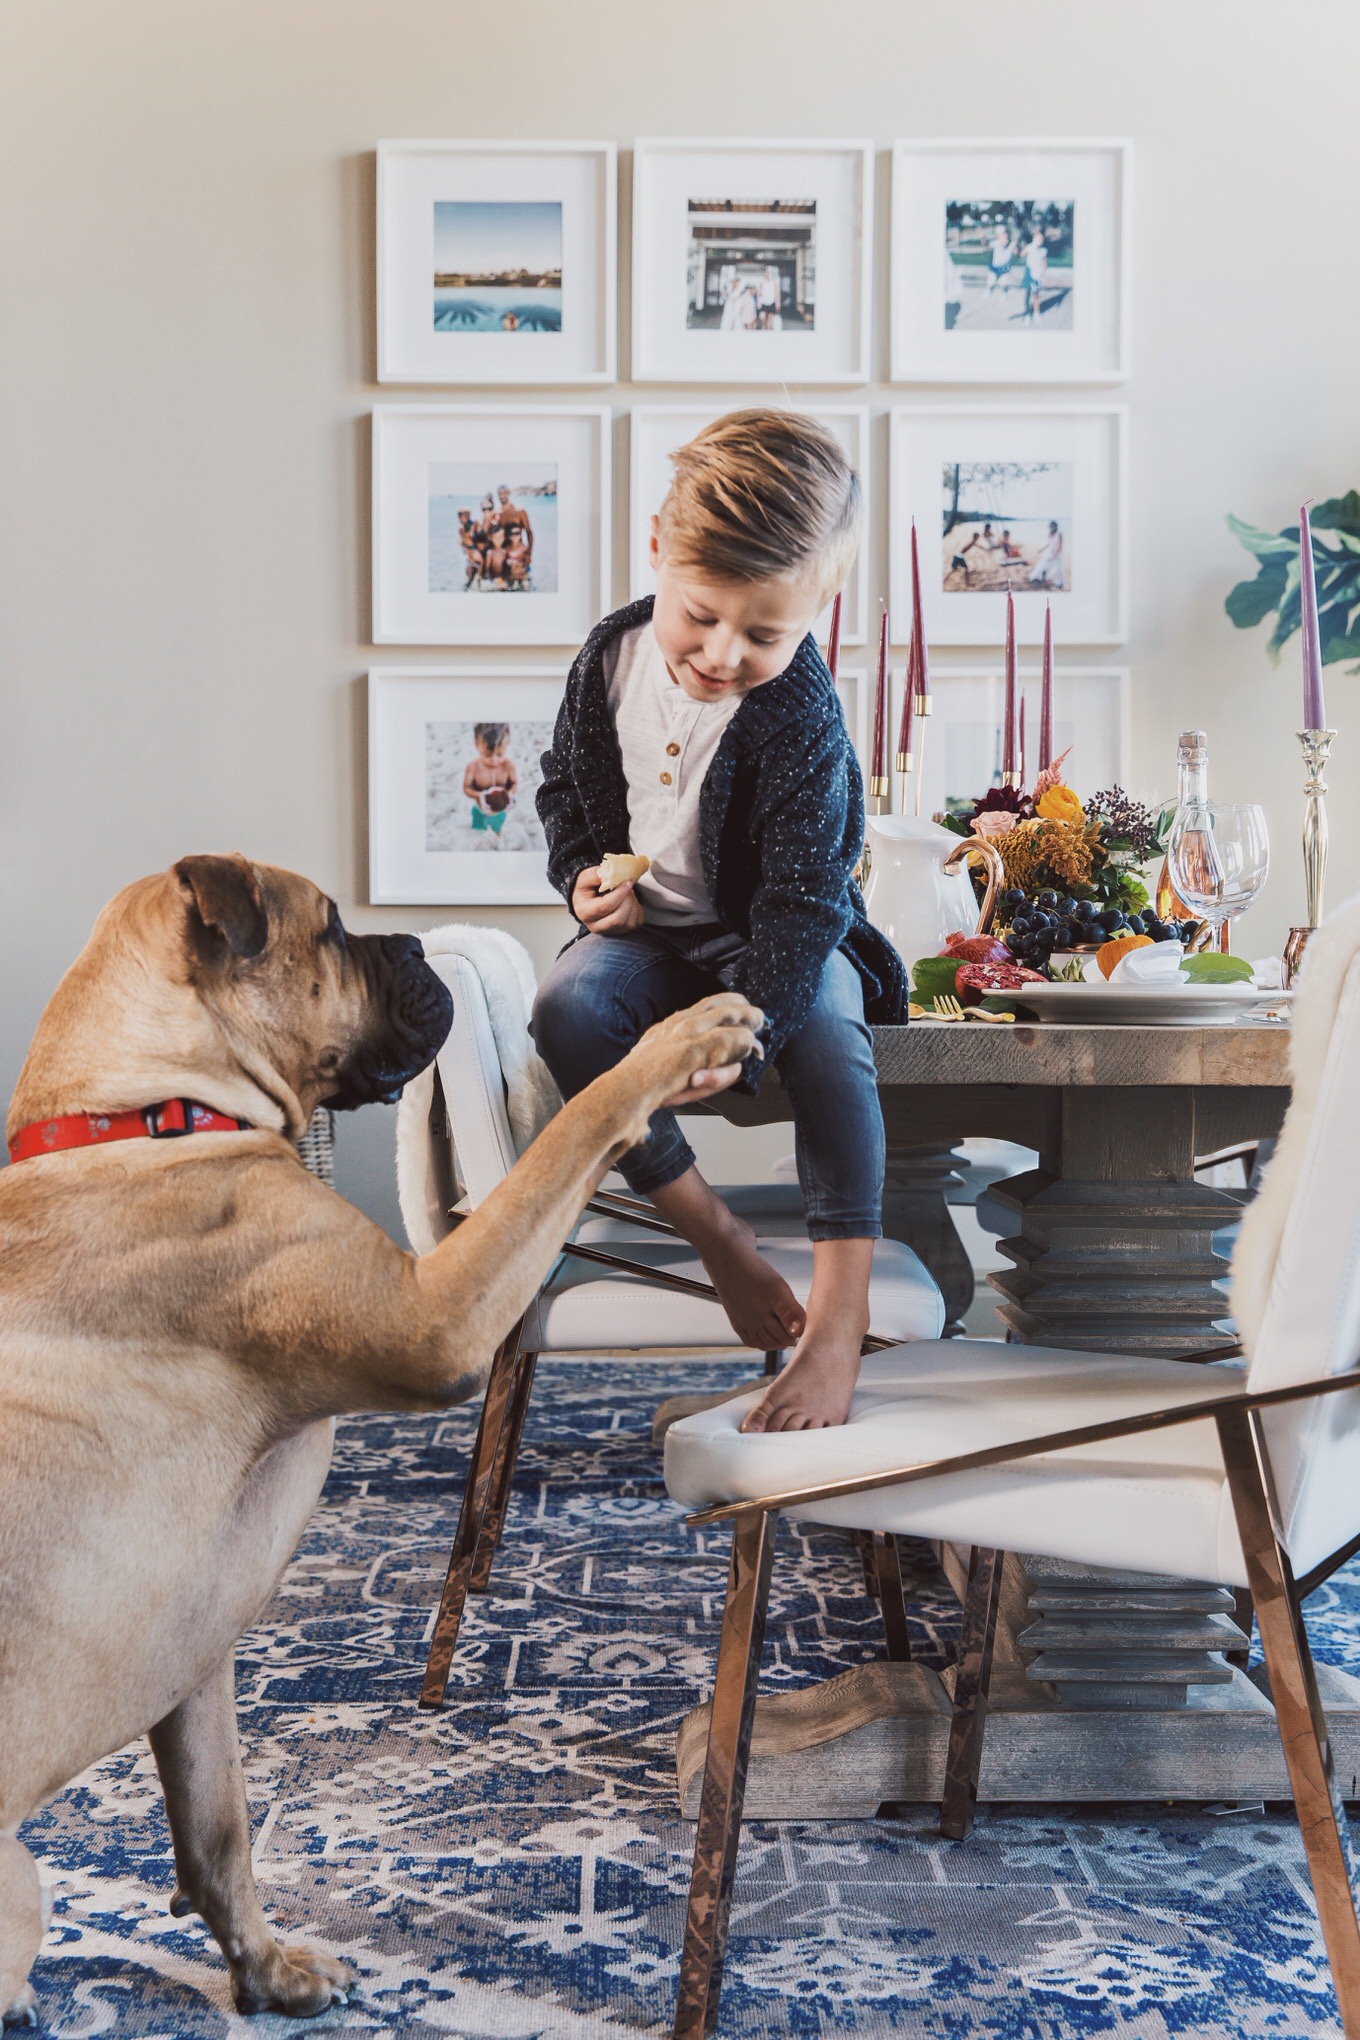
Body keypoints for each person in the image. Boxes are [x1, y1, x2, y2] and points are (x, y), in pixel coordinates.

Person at [533, 410, 910, 1433]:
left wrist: (744, 1036)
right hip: (652, 938)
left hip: (777, 944)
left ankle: (835, 1328)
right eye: (700, 615)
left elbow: (803, 904)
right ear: (658, 547)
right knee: (567, 1007)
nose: (720, 651)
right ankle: (716, 1239)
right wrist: (579, 880)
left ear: (817, 609)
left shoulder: (801, 720)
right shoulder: (606, 657)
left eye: (763, 634)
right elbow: (563, 786)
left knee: (832, 1041)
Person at [463, 722, 518, 833]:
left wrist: (509, 793)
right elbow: (466, 788)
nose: (494, 760)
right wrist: (480, 795)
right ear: (477, 744)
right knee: (478, 829)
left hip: (500, 811)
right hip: (479, 809)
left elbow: (514, 783)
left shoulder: (508, 766)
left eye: (500, 754)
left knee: (497, 828)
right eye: (487, 754)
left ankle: (496, 833)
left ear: (506, 746)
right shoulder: (473, 767)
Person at [1022, 227, 1048, 321]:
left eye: (1042, 239)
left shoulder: (1043, 250)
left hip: (1037, 275)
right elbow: (1021, 254)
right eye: (1039, 238)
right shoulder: (1029, 247)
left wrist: (1045, 276)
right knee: (1028, 296)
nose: (1041, 240)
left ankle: (1036, 313)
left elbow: (1044, 263)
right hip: (1029, 275)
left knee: (1036, 295)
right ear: (1034, 239)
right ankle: (1028, 314)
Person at [1031, 519, 1065, 588]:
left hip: (1057, 553)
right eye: (1050, 526)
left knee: (1058, 568)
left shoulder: (1059, 534)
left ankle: (1060, 583)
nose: (1051, 528)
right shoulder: (1050, 533)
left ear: (1056, 526)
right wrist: (1042, 549)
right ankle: (1041, 578)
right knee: (1043, 564)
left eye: (1053, 526)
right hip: (1050, 551)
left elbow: (1060, 546)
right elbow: (1049, 543)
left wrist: (1055, 554)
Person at [985, 223, 1013, 293]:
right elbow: (987, 245)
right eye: (1000, 235)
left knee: (1003, 283)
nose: (1003, 237)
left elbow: (1016, 251)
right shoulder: (995, 243)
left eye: (1004, 235)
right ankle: (989, 290)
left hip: (1004, 267)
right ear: (998, 236)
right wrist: (983, 239)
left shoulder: (1010, 244)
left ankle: (1005, 292)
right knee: (991, 282)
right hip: (995, 267)